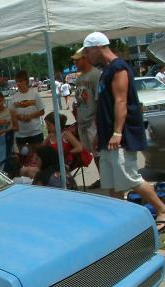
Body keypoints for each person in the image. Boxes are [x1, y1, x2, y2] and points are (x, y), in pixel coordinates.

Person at [83, 32, 165, 232]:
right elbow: (105, 106)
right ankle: (121, 222)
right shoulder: (106, 71)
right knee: (111, 183)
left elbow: (121, 101)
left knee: (129, 177)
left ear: (98, 48)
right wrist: (100, 133)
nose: (86, 56)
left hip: (121, 136)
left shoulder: (119, 68)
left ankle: (163, 210)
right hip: (107, 136)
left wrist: (117, 132)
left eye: (88, 51)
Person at [72, 46, 102, 189]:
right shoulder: (79, 78)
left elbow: (99, 100)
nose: (75, 63)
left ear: (85, 58)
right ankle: (102, 177)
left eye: (77, 60)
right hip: (82, 120)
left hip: (93, 121)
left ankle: (105, 178)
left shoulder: (96, 75)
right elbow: (79, 99)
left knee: (99, 152)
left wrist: (98, 122)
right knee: (93, 152)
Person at [10, 70, 45, 152]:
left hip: (35, 132)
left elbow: (42, 111)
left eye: (20, 81)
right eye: (17, 81)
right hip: (20, 134)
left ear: (26, 81)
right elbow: (11, 114)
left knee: (38, 155)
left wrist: (30, 116)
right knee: (24, 157)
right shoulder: (13, 98)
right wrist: (21, 117)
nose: (18, 83)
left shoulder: (35, 94)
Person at [0, 90, 15, 173]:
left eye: (0, 101)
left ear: (4, 100)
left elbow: (16, 127)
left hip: (8, 140)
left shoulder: (10, 111)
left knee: (7, 161)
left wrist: (5, 131)